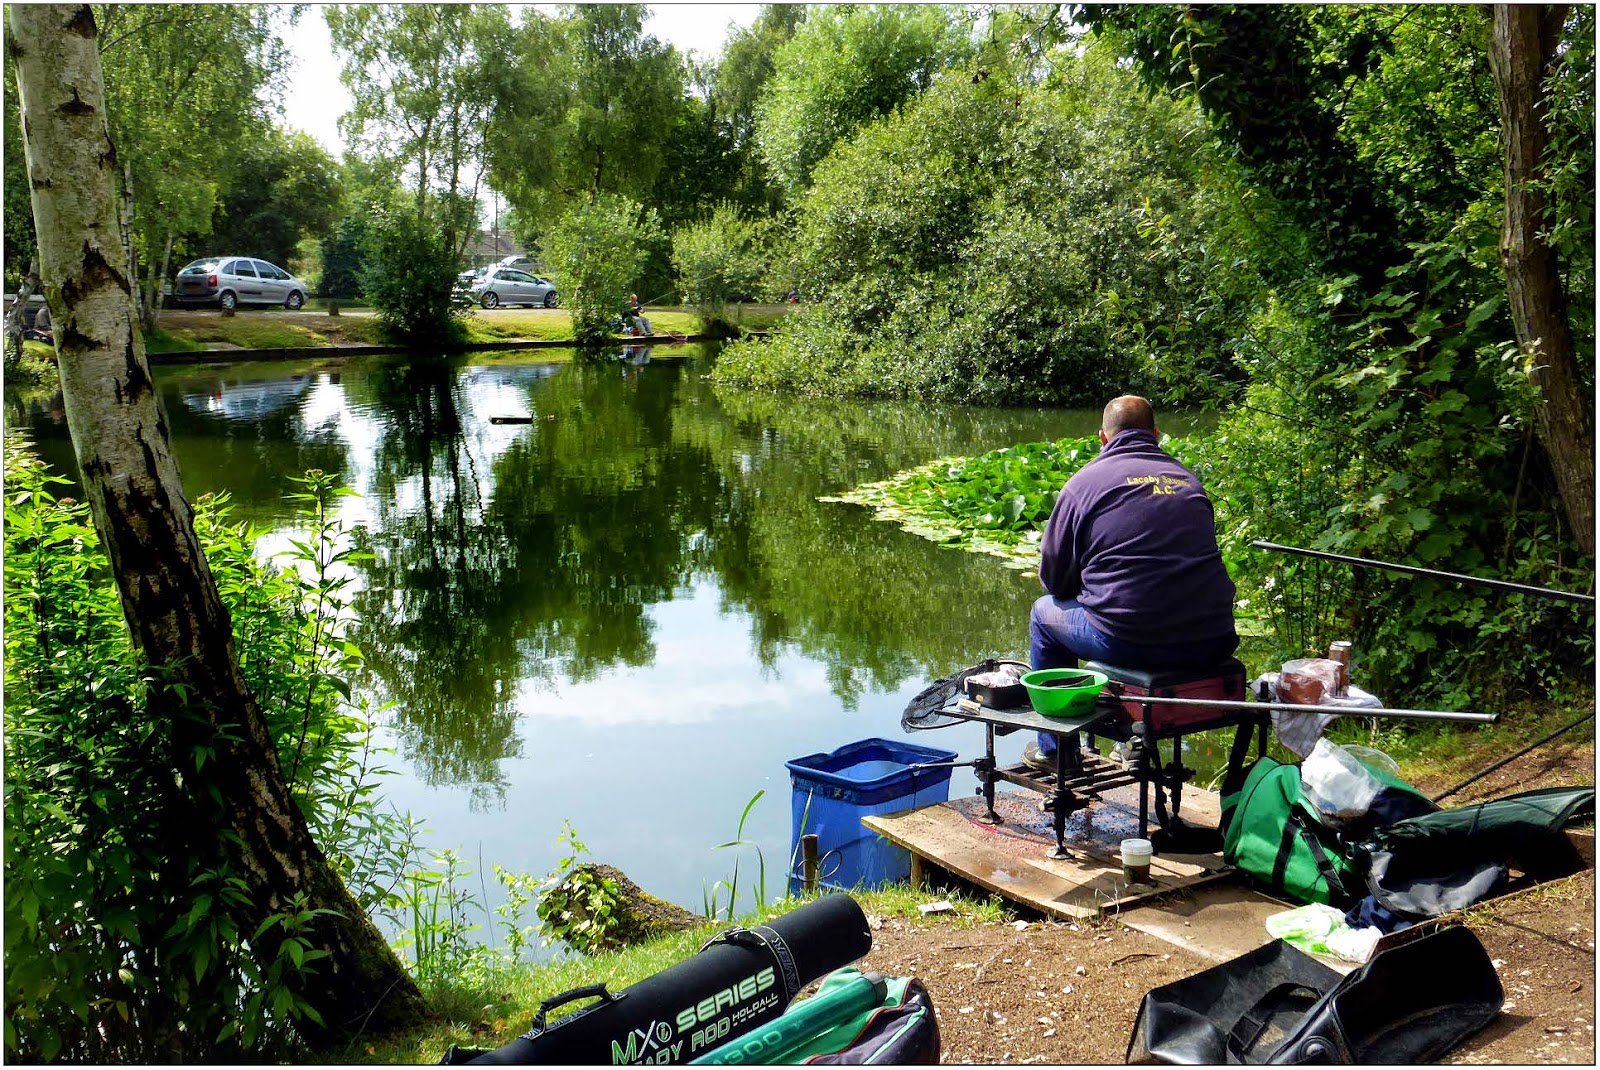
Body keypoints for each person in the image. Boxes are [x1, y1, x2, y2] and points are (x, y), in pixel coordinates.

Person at [1024, 395, 1238, 771]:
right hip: (1212, 641)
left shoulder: (1083, 485)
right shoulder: (1188, 480)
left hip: (1132, 641)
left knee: (1044, 615)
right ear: (1156, 435)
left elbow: (1053, 581)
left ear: (1103, 439)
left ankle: (1057, 751)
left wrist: (1090, 589)